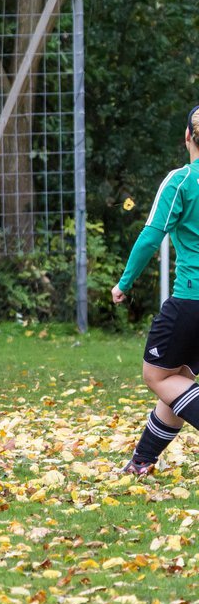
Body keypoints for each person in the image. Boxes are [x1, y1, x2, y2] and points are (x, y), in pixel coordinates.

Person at [115, 104, 199, 475]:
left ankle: (142, 460)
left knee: (157, 377)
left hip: (190, 300)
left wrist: (124, 283)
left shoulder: (181, 181)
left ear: (187, 137)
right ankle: (142, 461)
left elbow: (151, 238)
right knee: (178, 379)